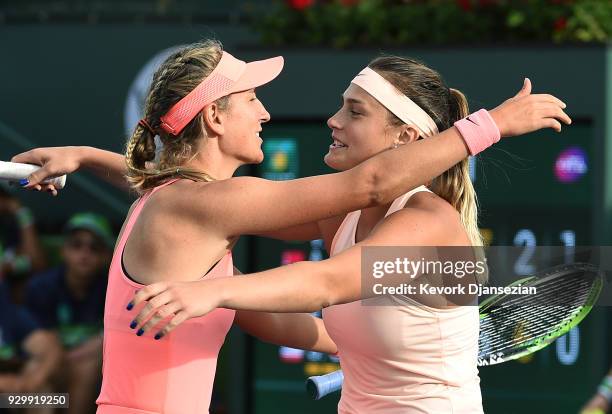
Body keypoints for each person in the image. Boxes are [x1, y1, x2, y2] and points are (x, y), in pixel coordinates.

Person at [13, 40, 569, 414]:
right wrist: (490, 126)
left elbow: (317, 289)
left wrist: (217, 294)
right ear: (213, 118)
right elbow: (196, 203)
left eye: (354, 111)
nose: (331, 120)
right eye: (253, 99)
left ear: (405, 138)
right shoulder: (215, 205)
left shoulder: (425, 223)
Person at [25, 212, 113, 414]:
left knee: (89, 368)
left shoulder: (114, 290)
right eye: (76, 244)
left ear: (107, 255)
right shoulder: (41, 286)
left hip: (89, 377)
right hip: (49, 368)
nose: (84, 253)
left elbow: (111, 342)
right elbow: (42, 346)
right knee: (38, 382)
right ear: (63, 250)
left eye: (95, 247)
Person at [0, 280, 61, 414]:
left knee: (44, 397)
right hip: (5, 386)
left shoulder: (7, 311)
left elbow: (51, 349)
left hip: (7, 397)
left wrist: (33, 381)